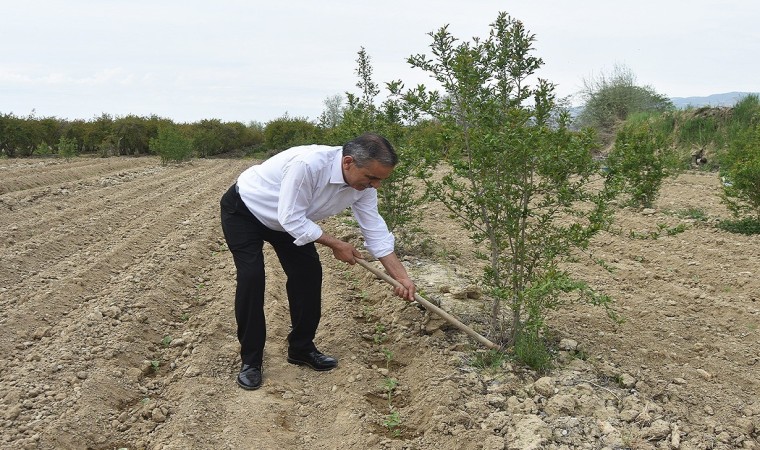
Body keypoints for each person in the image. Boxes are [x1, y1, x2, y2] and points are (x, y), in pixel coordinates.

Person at [220, 133, 417, 390]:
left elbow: (375, 231)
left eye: (380, 179)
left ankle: (301, 349)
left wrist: (400, 277)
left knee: (308, 275)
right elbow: (290, 217)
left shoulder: (365, 187)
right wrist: (336, 244)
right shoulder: (309, 165)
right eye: (371, 177)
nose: (376, 185)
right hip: (246, 211)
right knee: (252, 278)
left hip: (288, 222)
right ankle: (251, 361)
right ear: (348, 163)